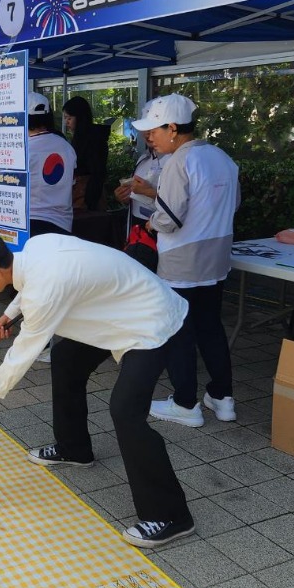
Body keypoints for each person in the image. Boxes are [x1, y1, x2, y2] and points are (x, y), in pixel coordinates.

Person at [0, 231, 195, 548]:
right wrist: (9, 314)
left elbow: (21, 353)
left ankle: (172, 516)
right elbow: (34, 289)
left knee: (125, 411)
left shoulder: (43, 290)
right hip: (119, 310)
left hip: (151, 321)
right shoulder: (35, 250)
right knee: (66, 358)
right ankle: (74, 448)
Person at [135, 94, 241, 428]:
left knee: (178, 330)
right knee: (210, 327)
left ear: (173, 127)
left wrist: (151, 223)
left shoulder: (178, 162)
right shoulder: (221, 157)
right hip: (217, 258)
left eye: (154, 130)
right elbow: (233, 205)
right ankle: (223, 398)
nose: (149, 137)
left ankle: (185, 403)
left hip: (182, 261)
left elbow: (168, 218)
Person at [27, 92, 76, 236]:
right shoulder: (66, 146)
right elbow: (72, 184)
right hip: (63, 224)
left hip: (30, 222)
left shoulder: (22, 149)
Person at [114, 101, 168, 230]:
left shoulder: (176, 161)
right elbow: (134, 195)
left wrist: (149, 192)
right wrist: (124, 195)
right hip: (136, 226)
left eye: (153, 129)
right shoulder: (144, 158)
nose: (148, 134)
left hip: (162, 229)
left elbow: (180, 203)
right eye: (145, 129)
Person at [63, 97, 111, 212]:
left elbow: (97, 172)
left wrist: (90, 202)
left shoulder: (93, 139)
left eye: (69, 117)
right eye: (65, 118)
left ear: (80, 117)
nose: (66, 122)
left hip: (87, 195)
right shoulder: (79, 137)